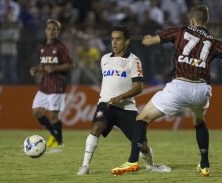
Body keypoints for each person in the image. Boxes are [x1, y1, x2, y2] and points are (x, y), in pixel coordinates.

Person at [111, 5, 222, 177]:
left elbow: (148, 42)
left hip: (179, 86)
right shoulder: (214, 42)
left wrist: (148, 38)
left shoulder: (180, 31)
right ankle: (205, 164)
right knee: (199, 122)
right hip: (201, 90)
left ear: (191, 20)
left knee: (142, 119)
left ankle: (132, 161)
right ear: (207, 22)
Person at [77, 25, 170, 175]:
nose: (114, 43)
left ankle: (151, 165)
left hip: (126, 107)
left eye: (118, 39)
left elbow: (138, 87)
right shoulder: (104, 59)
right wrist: (110, 97)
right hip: (106, 103)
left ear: (127, 41)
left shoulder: (134, 61)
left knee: (142, 145)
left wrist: (120, 97)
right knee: (96, 127)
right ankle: (85, 166)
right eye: (112, 39)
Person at [30, 19, 74, 149]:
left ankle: (59, 142)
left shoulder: (61, 47)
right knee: (36, 112)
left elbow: (71, 65)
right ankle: (53, 135)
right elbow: (44, 64)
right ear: (45, 30)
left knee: (54, 116)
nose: (51, 31)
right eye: (49, 28)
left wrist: (54, 69)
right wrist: (37, 69)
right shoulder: (43, 46)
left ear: (58, 32)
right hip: (44, 86)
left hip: (56, 86)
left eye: (54, 29)